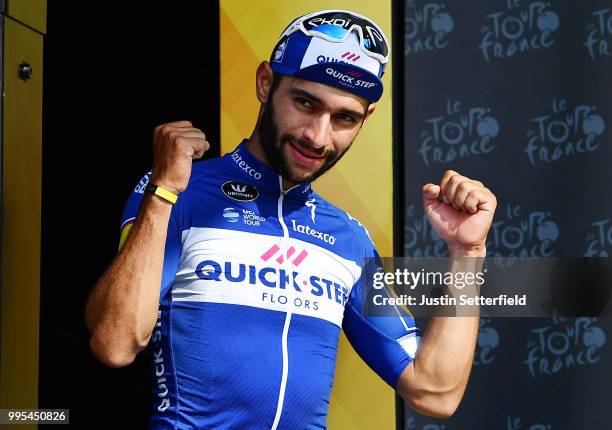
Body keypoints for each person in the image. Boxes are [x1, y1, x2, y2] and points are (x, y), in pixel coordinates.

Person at [85, 9, 497, 429]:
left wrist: (467, 253)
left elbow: (435, 391)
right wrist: (164, 190)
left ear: (366, 119)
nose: (317, 136)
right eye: (304, 102)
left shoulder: (348, 238)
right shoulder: (179, 193)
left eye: (344, 118)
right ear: (266, 83)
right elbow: (114, 342)